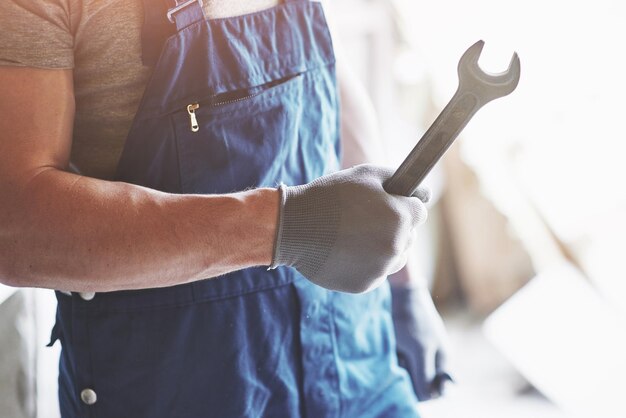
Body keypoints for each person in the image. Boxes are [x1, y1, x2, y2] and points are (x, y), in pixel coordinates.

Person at [0, 0, 448, 416]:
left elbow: (333, 82)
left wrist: (405, 284)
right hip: (174, 385)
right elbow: (16, 225)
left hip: (348, 356)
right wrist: (289, 226)